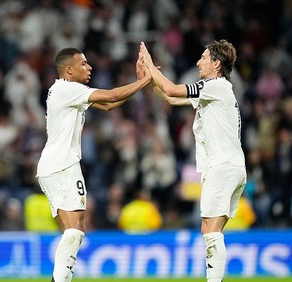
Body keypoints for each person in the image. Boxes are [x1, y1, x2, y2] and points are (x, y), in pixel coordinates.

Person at [36, 47, 151, 282]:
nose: (90, 68)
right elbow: (111, 96)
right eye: (84, 64)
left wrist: (138, 82)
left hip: (56, 164)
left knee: (74, 231)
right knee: (75, 231)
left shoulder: (66, 91)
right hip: (62, 165)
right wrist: (146, 80)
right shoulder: (66, 89)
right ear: (69, 70)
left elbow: (108, 105)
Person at [140, 40, 247, 282]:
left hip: (222, 167)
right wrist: (148, 78)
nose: (198, 62)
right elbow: (169, 98)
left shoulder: (216, 86)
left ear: (216, 64)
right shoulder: (216, 90)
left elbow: (172, 89)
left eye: (203, 58)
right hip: (231, 167)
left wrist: (150, 63)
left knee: (210, 232)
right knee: (213, 231)